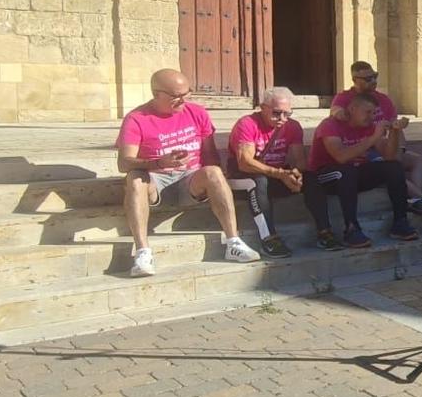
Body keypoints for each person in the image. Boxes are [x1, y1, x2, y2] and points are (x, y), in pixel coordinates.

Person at [117, 69, 260, 276]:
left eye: (187, 93)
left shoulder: (197, 112)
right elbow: (124, 163)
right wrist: (158, 163)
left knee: (213, 171)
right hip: (155, 180)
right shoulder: (136, 118)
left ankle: (233, 242)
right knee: (135, 178)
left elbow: (210, 153)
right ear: (157, 94)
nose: (183, 100)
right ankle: (142, 252)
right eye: (176, 96)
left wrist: (216, 180)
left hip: (190, 178)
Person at [304, 91, 418, 249]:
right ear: (352, 109)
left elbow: (390, 157)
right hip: (324, 177)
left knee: (394, 167)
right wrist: (372, 138)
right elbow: (341, 157)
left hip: (353, 174)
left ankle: (400, 222)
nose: (372, 117)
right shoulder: (329, 125)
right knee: (346, 169)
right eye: (368, 112)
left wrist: (394, 132)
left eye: (374, 113)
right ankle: (351, 229)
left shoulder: (370, 127)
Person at [334, 62, 422, 215]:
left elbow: (396, 127)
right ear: (355, 80)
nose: (373, 81)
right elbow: (336, 111)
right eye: (368, 78)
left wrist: (401, 148)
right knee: (391, 167)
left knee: (418, 160)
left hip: (383, 146)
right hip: (363, 149)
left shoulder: (383, 99)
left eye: (375, 76)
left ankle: (414, 200)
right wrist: (344, 114)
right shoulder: (345, 98)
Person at [228, 86, 305, 258]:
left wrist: (297, 175)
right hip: (244, 178)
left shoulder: (292, 127)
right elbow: (245, 163)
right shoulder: (247, 124)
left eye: (287, 114)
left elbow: (300, 160)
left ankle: (325, 231)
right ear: (263, 108)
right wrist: (280, 174)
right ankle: (268, 238)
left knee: (314, 177)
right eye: (277, 113)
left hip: (275, 175)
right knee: (258, 180)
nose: (282, 119)